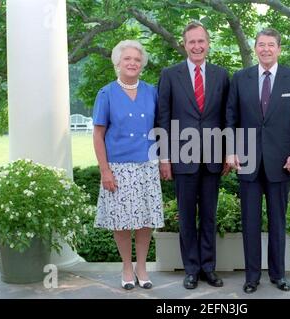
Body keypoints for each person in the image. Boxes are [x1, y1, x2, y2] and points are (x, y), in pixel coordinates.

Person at [226, 28, 290, 294]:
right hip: (247, 162)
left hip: (280, 163)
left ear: (279, 49)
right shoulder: (240, 78)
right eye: (261, 45)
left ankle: (278, 274)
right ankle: (251, 277)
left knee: (277, 222)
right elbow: (231, 119)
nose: (266, 49)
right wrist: (231, 150)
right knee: (250, 222)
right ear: (255, 48)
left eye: (271, 45)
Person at [157, 21, 230, 289]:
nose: (197, 46)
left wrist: (227, 152)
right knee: (187, 216)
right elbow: (163, 117)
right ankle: (191, 269)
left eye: (201, 41)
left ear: (208, 43)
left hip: (213, 157)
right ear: (184, 44)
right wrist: (164, 158)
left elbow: (226, 117)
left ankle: (208, 268)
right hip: (181, 158)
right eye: (191, 42)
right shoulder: (170, 74)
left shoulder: (221, 75)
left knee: (209, 215)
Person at [92, 40, 164, 290]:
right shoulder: (106, 93)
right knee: (121, 222)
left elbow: (160, 128)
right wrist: (105, 171)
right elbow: (98, 135)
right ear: (118, 63)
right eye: (127, 59)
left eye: (136, 59)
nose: (132, 63)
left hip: (146, 165)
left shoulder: (152, 92)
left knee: (145, 221)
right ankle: (126, 266)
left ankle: (142, 267)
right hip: (118, 168)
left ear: (142, 64)